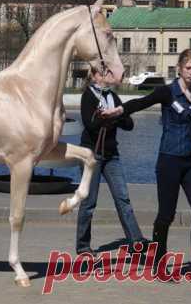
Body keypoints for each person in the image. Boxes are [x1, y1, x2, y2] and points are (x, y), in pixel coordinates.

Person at [104, 49, 191, 284]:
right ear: (179, 67)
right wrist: (118, 110)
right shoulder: (167, 92)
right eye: (188, 67)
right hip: (168, 160)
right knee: (166, 215)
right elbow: (140, 102)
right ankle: (160, 265)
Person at [76, 63, 149, 257]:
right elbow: (91, 124)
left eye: (108, 72)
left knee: (122, 198)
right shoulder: (88, 96)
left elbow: (129, 124)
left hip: (111, 155)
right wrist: (110, 116)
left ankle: (136, 241)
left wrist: (115, 115)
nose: (107, 75)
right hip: (91, 154)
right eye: (103, 72)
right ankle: (83, 246)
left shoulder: (112, 96)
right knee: (89, 202)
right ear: (93, 76)